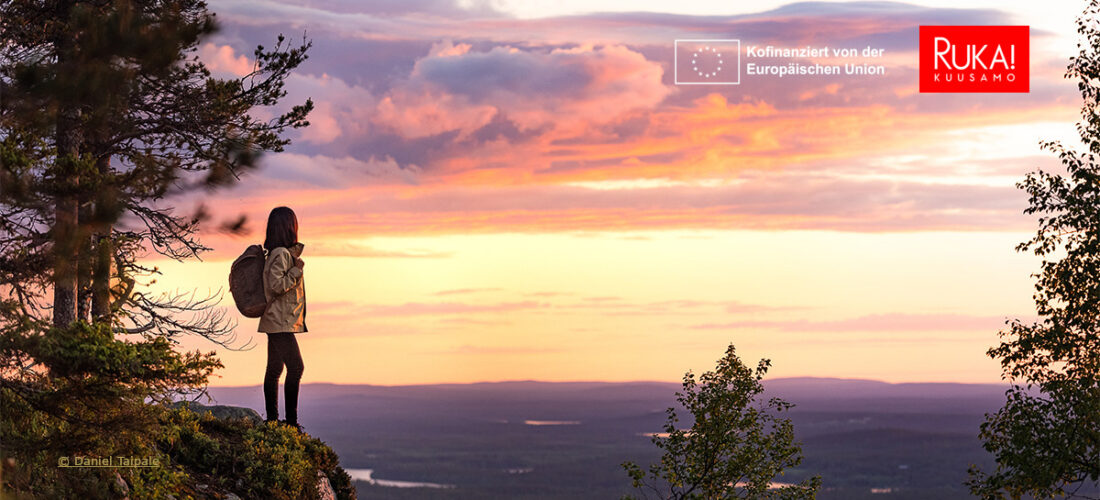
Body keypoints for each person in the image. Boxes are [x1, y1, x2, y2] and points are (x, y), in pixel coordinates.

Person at [259, 206, 307, 430]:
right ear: (289, 227)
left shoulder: (279, 253)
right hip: (280, 323)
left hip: (277, 321)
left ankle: (272, 421)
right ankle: (289, 423)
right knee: (296, 368)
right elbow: (277, 286)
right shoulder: (281, 254)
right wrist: (296, 271)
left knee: (275, 370)